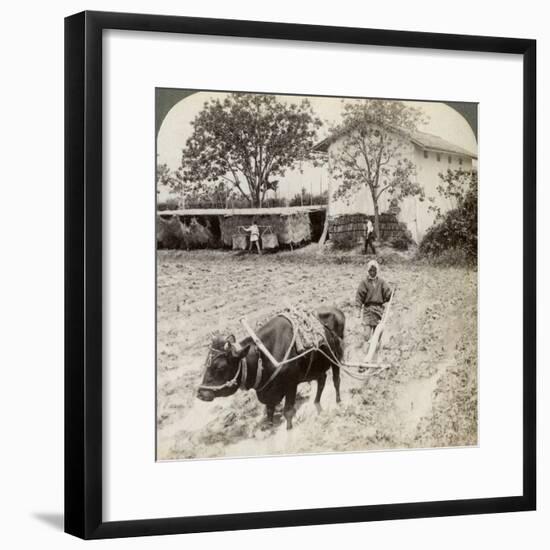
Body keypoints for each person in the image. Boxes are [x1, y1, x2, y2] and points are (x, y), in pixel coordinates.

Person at [355, 259, 392, 343]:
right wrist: (358, 310)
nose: (372, 273)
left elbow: (387, 295)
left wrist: (392, 293)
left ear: (377, 271)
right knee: (366, 335)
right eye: (370, 271)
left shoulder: (381, 282)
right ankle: (365, 349)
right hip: (368, 311)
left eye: (374, 270)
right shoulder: (364, 283)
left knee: (377, 335)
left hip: (378, 311)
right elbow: (359, 297)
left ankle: (375, 350)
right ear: (368, 271)